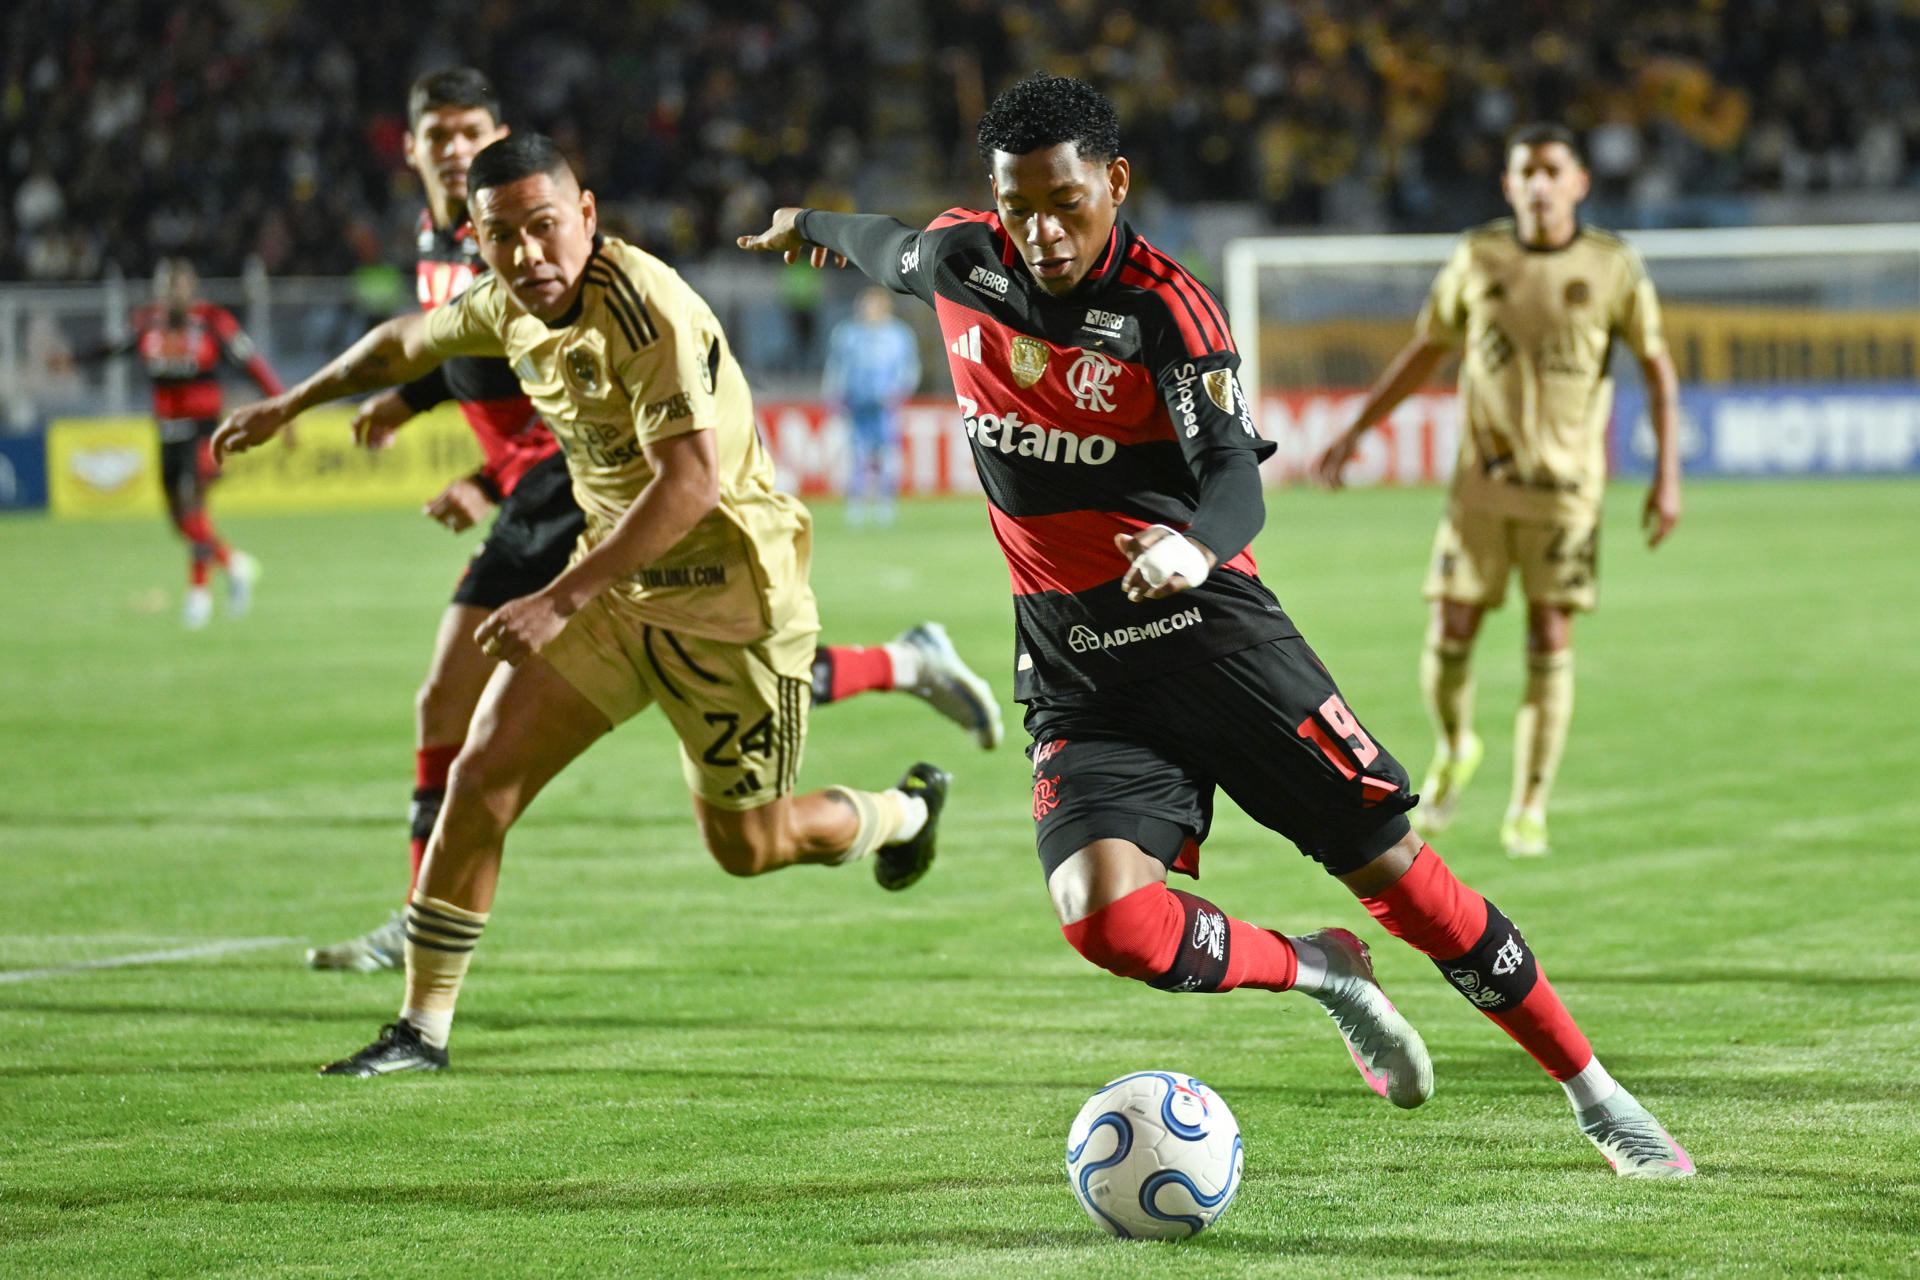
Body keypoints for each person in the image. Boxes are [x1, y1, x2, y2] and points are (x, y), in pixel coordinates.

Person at [739, 75, 1691, 1177]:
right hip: (1078, 665)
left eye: (1065, 201)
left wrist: (1192, 542)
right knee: (1103, 918)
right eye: (1017, 204)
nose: (1041, 231)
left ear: (1115, 183)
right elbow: (884, 244)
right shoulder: (966, 259)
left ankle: (1594, 1091)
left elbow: (1235, 473)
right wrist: (806, 227)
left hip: (1213, 640)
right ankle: (1325, 970)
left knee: (1398, 873)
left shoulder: (1164, 309)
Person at [216, 134, 952, 1077]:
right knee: (481, 776)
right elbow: (408, 340)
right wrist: (291, 405)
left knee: (751, 845)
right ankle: (422, 1029)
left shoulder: (648, 314)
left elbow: (687, 485)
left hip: (731, 603)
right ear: (476, 240)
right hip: (614, 592)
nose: (527, 255)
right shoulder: (507, 306)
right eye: (501, 236)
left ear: (588, 216)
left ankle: (901, 814)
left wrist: (558, 599)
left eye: (544, 227)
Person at [1311, 123, 1682, 859]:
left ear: (1579, 182)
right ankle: (1456, 744)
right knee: (1450, 629)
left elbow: (1658, 370)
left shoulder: (1614, 267)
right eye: (1526, 173)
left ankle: (1530, 805)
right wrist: (1357, 429)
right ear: (1509, 186)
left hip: (1567, 493)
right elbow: (1427, 349)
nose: (1539, 185)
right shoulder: (1478, 256)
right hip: (1479, 490)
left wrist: (1667, 476)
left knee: (1550, 633)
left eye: (1553, 170)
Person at [86, 258, 283, 628]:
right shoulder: (148, 323)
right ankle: (233, 565)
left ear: (191, 290)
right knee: (179, 519)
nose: (173, 295)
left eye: (179, 287)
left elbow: (251, 363)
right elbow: (114, 349)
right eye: (166, 287)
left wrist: (280, 405)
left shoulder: (212, 321)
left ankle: (198, 595)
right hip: (166, 429)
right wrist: (75, 359)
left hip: (204, 429)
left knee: (194, 505)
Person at [822, 286, 920, 526]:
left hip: (886, 406)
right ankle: (856, 504)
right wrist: (832, 394)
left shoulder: (899, 335)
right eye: (866, 305)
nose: (870, 310)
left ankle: (886, 505)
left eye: (875, 305)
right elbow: (837, 367)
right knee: (857, 454)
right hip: (856, 403)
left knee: (887, 454)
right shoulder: (847, 334)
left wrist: (899, 393)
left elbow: (909, 368)